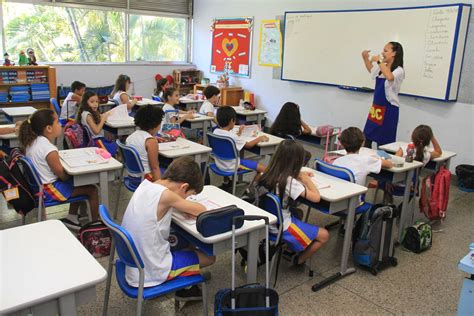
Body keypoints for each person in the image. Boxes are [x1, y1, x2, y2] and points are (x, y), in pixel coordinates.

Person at [121, 156, 215, 300]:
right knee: (210, 257)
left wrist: (181, 205)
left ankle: (187, 278)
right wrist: (186, 206)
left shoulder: (147, 185)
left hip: (135, 263)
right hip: (151, 271)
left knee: (183, 240)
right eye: (189, 195)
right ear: (184, 187)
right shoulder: (167, 196)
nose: (187, 199)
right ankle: (185, 286)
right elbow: (201, 210)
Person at [19, 109, 99, 229]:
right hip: (48, 190)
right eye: (57, 122)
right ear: (48, 128)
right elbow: (61, 175)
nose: (60, 125)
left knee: (78, 182)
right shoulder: (48, 149)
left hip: (38, 186)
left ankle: (72, 217)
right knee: (92, 189)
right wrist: (75, 174)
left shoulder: (33, 141)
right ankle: (96, 226)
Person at [257, 139, 329, 265]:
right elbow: (316, 198)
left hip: (265, 222)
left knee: (298, 212)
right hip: (280, 227)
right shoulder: (289, 182)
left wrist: (298, 175)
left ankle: (292, 246)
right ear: (296, 161)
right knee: (324, 235)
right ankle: (298, 260)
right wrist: (306, 180)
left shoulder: (265, 173)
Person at [361, 42, 405, 147]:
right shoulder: (382, 66)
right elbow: (371, 70)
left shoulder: (399, 70)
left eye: (385, 51)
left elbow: (389, 77)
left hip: (389, 110)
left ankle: (382, 162)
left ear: (394, 53)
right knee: (367, 138)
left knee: (384, 143)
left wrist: (379, 61)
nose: (382, 53)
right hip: (376, 109)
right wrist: (365, 58)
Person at [213, 106, 268, 174]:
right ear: (232, 120)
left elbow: (232, 138)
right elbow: (249, 145)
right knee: (264, 169)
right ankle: (255, 184)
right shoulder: (232, 137)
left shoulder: (215, 132)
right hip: (233, 166)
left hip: (219, 164)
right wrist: (260, 138)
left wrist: (239, 132)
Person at [126, 105, 164, 181]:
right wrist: (159, 189)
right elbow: (155, 168)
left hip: (132, 177)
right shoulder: (151, 141)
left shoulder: (130, 137)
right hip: (146, 179)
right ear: (155, 124)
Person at [77, 91, 117, 156]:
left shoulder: (85, 112)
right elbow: (96, 131)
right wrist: (103, 119)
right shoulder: (88, 115)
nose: (95, 104)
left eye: (97, 102)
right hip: (96, 142)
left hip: (95, 140)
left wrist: (101, 116)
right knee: (115, 145)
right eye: (92, 102)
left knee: (111, 140)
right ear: (85, 103)